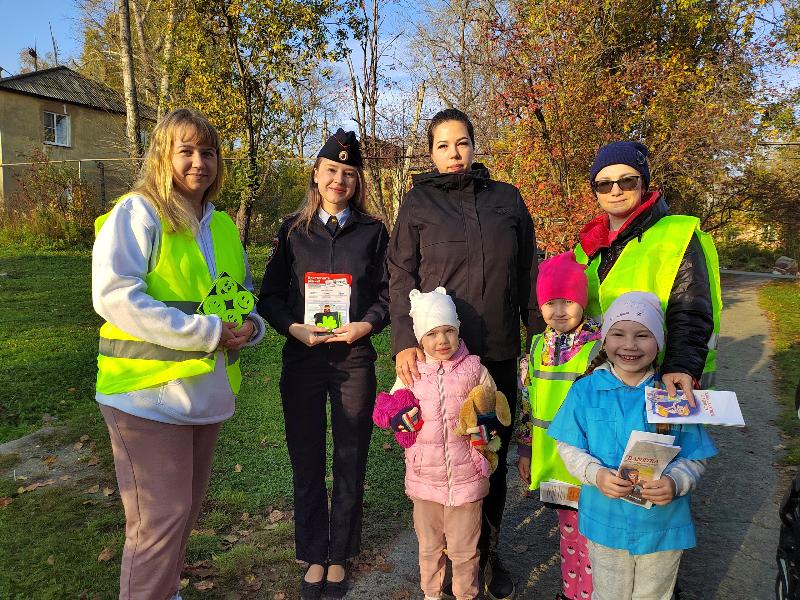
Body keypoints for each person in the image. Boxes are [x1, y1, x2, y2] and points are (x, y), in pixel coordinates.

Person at [92, 107, 265, 600]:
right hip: (145, 396)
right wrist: (207, 331)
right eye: (185, 151)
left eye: (207, 152)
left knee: (181, 514)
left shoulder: (224, 226)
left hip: (203, 395)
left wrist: (249, 328)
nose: (198, 162)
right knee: (158, 522)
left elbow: (241, 297)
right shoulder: (137, 213)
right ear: (162, 156)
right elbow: (114, 295)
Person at [388, 107, 543, 600]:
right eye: (442, 145)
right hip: (439, 357)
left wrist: (539, 336)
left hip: (494, 352)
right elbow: (400, 276)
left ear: (474, 147)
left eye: (461, 143)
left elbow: (527, 275)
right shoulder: (418, 204)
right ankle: (439, 555)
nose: (453, 154)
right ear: (430, 153)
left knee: (487, 457)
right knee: (442, 454)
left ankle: (484, 553)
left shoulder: (507, 201)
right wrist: (402, 343)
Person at [257, 129, 389, 600]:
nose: (339, 180)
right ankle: (314, 553)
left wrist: (366, 326)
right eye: (332, 170)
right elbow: (269, 296)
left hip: (354, 359)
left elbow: (388, 294)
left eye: (348, 173)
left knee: (351, 459)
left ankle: (339, 556)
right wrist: (294, 328)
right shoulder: (292, 230)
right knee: (306, 459)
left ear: (357, 181)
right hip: (304, 360)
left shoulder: (373, 231)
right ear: (316, 173)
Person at [548, 291, 717, 600]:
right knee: (608, 593)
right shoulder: (586, 390)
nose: (629, 345)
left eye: (643, 335)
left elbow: (696, 456)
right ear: (605, 338)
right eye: (618, 334)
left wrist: (675, 482)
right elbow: (568, 446)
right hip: (605, 521)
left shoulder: (674, 394)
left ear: (660, 342)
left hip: (662, 526)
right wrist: (596, 474)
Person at [574, 141, 722, 400]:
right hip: (601, 378)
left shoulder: (676, 235)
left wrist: (680, 365)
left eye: (627, 181)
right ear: (596, 192)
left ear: (643, 183)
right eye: (604, 184)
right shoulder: (587, 245)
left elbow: (691, 308)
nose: (616, 191)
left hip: (658, 377)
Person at [377, 287, 495, 600]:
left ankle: (465, 594)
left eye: (448, 331)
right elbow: (386, 409)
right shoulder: (411, 372)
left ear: (458, 331)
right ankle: (431, 593)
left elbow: (492, 411)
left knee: (465, 549)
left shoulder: (475, 370)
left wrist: (484, 430)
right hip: (424, 479)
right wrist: (398, 417)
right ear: (419, 338)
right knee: (429, 547)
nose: (442, 341)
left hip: (467, 477)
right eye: (432, 334)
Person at [514, 250, 601, 600]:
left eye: (568, 301)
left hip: (589, 462)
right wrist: (525, 450)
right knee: (567, 532)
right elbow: (526, 404)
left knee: (592, 535)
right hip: (552, 462)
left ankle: (592, 594)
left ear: (582, 300)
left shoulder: (600, 346)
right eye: (550, 302)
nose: (559, 311)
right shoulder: (537, 347)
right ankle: (570, 590)